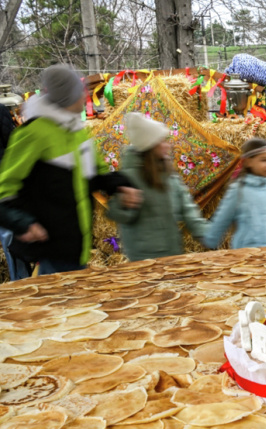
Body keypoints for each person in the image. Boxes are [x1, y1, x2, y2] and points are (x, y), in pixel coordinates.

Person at [0, 64, 140, 274]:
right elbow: (4, 189)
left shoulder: (76, 131)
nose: (85, 96)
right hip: (51, 250)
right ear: (66, 97)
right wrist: (23, 224)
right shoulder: (34, 133)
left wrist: (122, 186)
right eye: (79, 92)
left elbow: (95, 176)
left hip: (76, 247)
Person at [106, 113, 210, 261]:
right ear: (150, 146)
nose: (167, 145)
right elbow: (117, 214)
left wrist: (205, 233)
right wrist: (124, 204)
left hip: (171, 252)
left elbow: (187, 208)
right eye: (162, 142)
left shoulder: (168, 175)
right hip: (143, 259)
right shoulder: (129, 177)